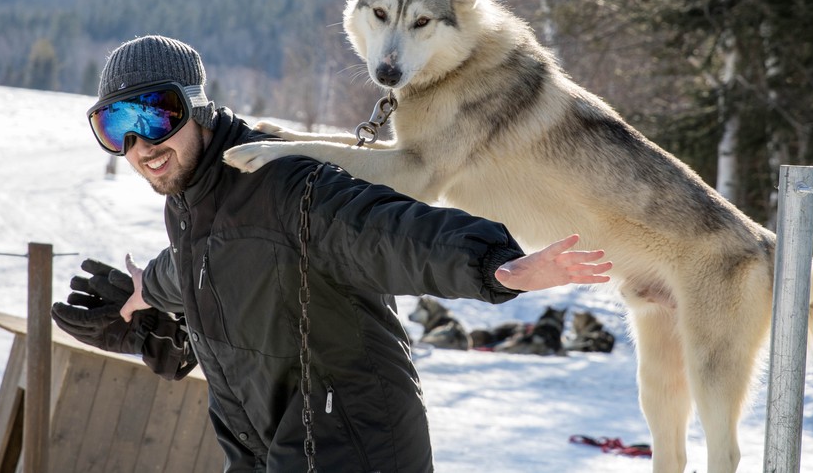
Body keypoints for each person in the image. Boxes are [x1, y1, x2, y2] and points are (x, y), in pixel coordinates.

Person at [52, 34, 611, 473]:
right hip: (271, 449)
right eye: (116, 127)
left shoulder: (278, 179)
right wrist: (144, 296)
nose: (141, 145)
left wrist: (490, 264)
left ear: (196, 107)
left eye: (155, 115)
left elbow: (383, 230)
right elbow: (202, 262)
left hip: (352, 444)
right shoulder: (190, 202)